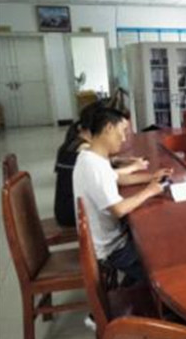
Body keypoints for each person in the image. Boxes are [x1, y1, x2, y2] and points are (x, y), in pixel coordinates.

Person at [73, 107, 172, 283]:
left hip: (110, 240)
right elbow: (118, 209)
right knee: (165, 267)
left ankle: (132, 283)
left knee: (154, 241)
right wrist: (150, 191)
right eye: (122, 131)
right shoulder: (94, 166)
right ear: (108, 128)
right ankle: (144, 292)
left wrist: (151, 177)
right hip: (113, 249)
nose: (124, 138)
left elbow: (117, 178)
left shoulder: (89, 156)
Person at [54, 101, 146, 227]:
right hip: (72, 212)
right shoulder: (83, 149)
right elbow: (106, 174)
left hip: (73, 206)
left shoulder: (76, 139)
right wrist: (134, 167)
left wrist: (119, 160)